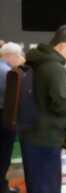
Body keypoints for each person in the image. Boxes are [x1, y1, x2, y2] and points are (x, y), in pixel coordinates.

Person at [20, 25, 66, 193]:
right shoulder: (54, 67)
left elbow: (44, 93)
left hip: (31, 131)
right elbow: (62, 106)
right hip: (46, 136)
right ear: (63, 46)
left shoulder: (36, 60)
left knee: (36, 183)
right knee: (47, 186)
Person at [0, 42, 25, 193]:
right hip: (3, 118)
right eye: (19, 56)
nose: (20, 59)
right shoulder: (7, 72)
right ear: (11, 55)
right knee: (3, 156)